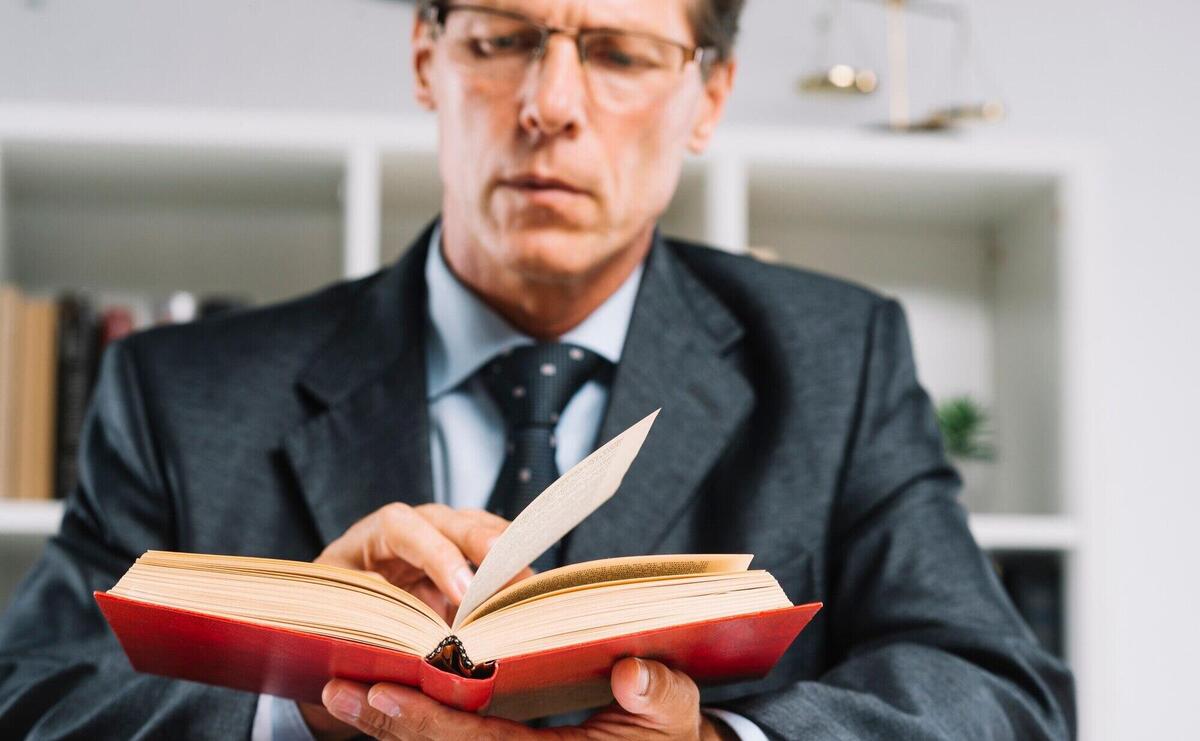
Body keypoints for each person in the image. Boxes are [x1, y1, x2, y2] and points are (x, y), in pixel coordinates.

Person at [0, 0, 1075, 739]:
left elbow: (999, 694)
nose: (549, 104)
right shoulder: (177, 393)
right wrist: (301, 707)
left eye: (616, 53)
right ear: (429, 59)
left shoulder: (840, 362)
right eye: (505, 38)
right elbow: (26, 697)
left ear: (709, 96)